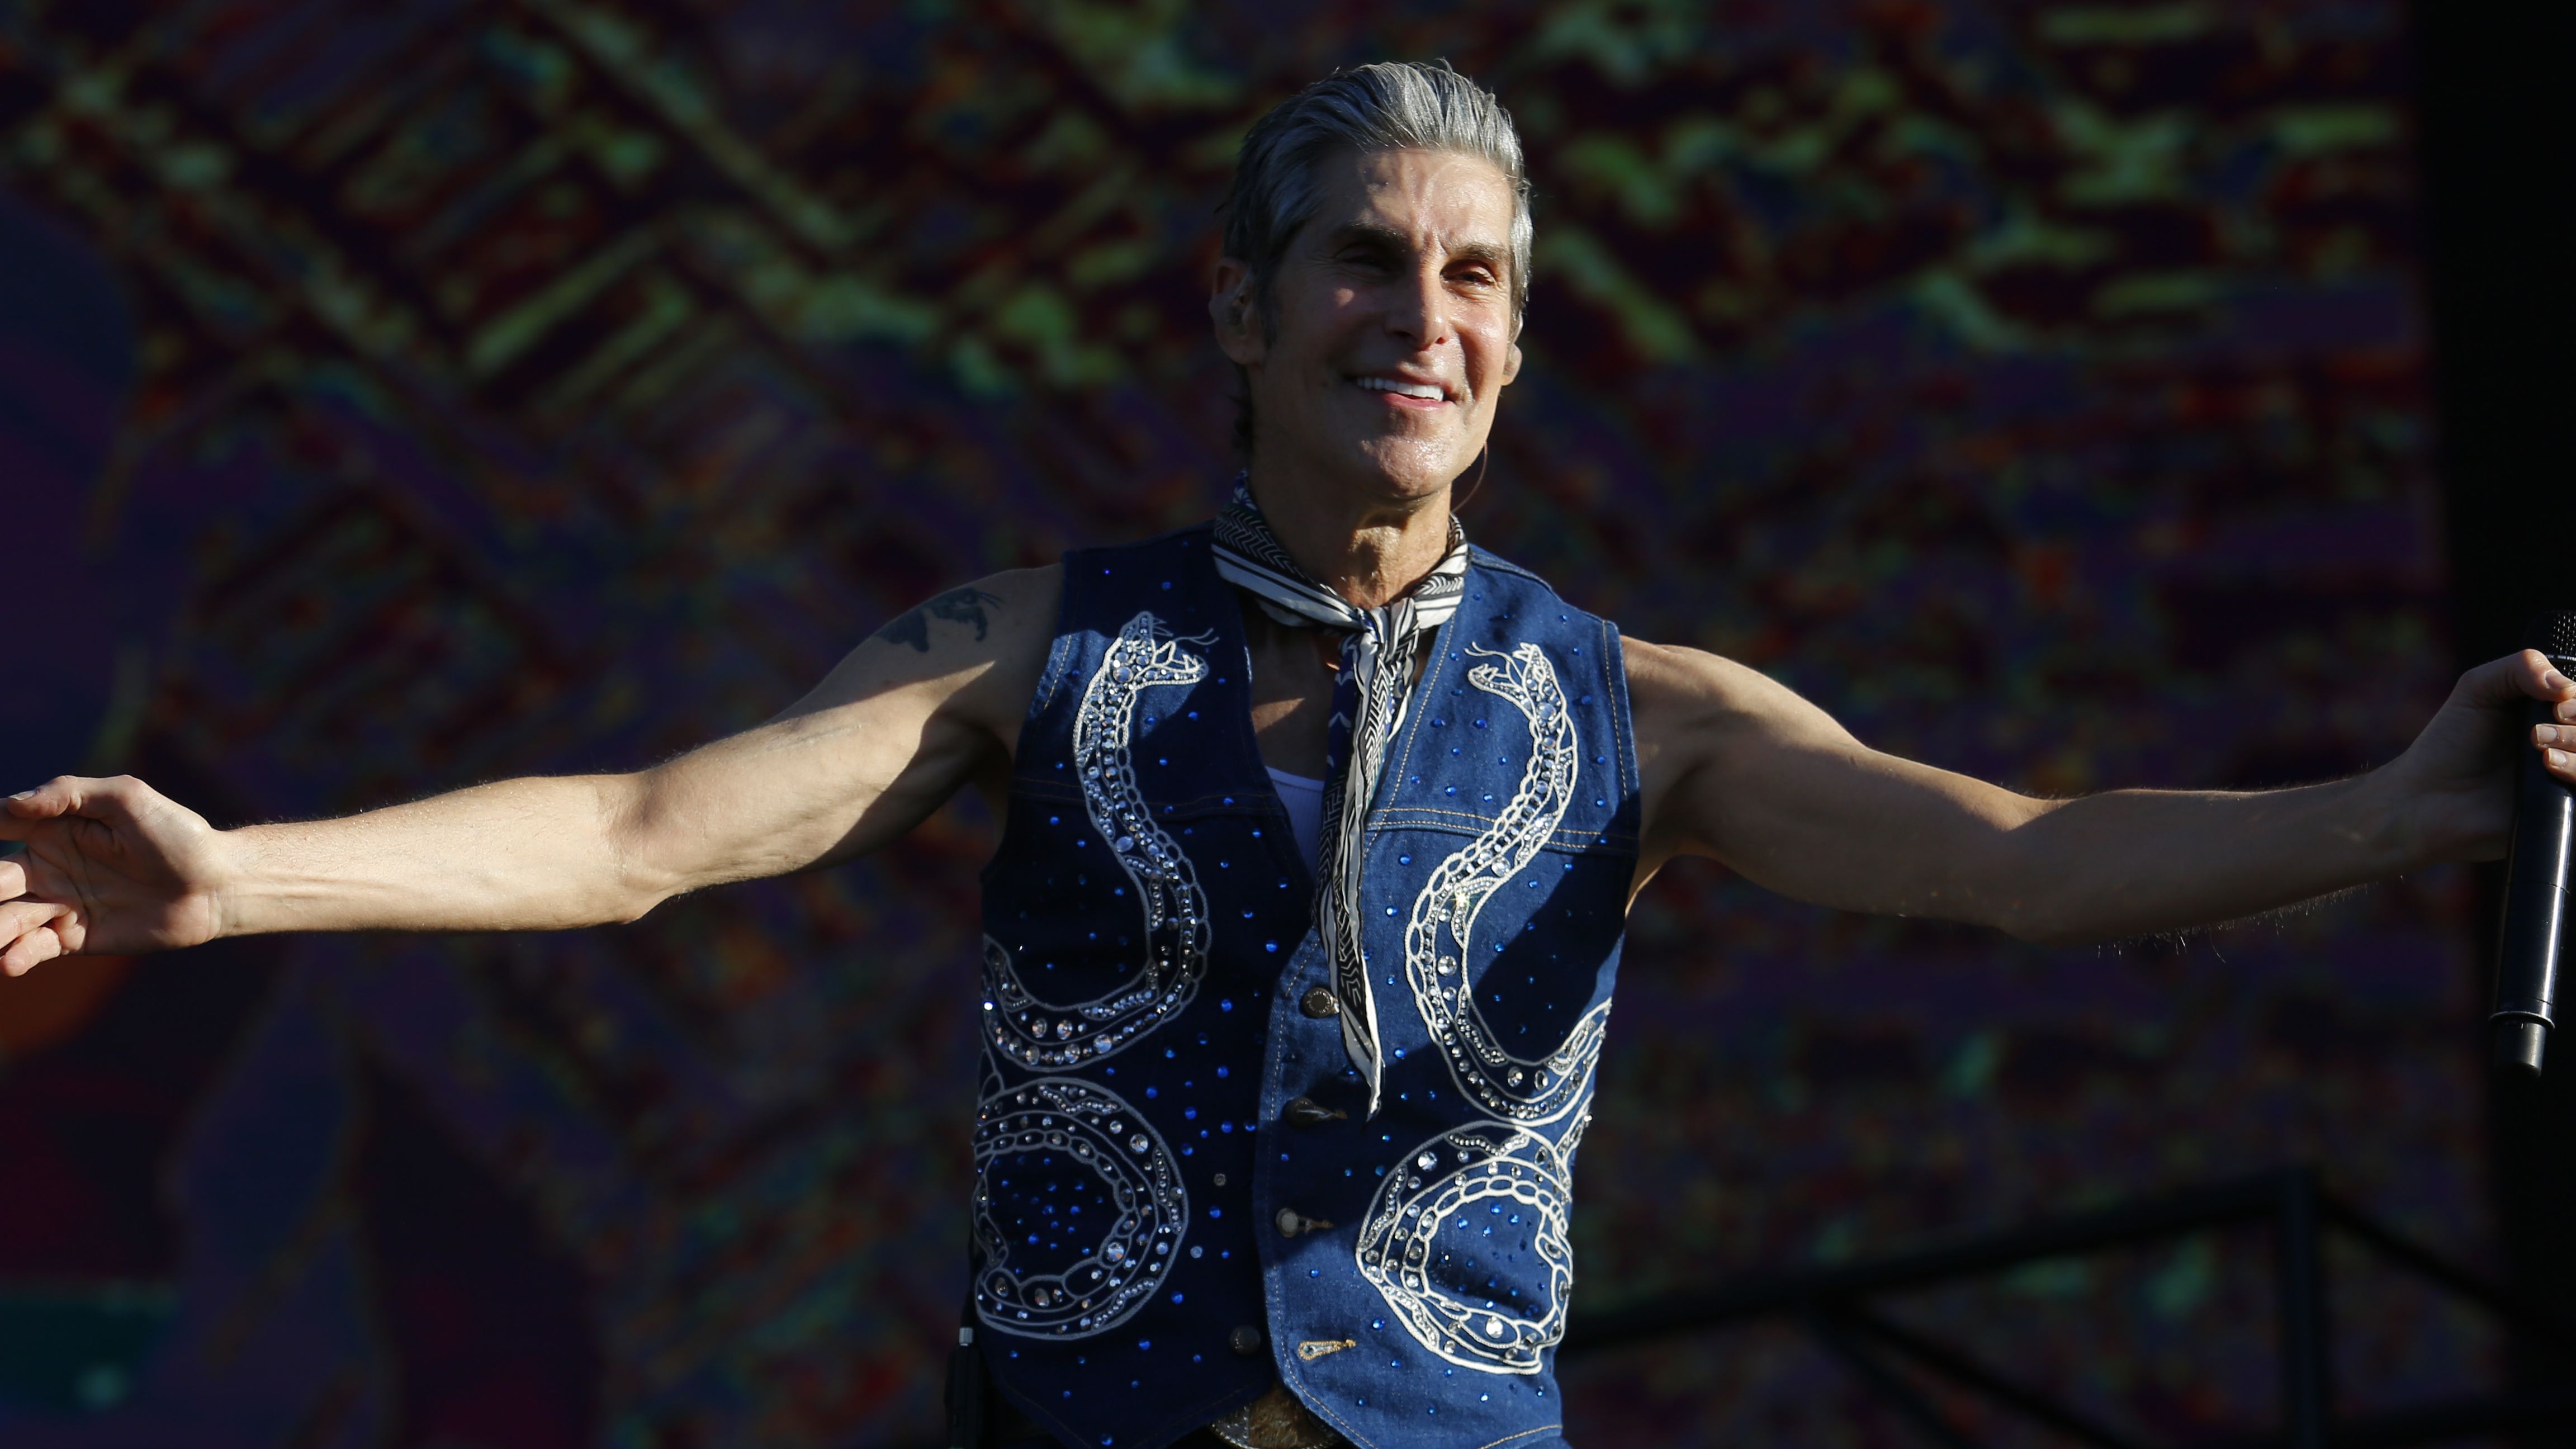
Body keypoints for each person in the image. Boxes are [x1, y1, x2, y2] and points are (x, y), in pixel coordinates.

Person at [1, 61, 2565, 1449]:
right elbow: (647, 833)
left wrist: (2408, 811)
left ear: (1517, 347)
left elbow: (2020, 856)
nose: (1419, 314)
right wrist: (233, 882)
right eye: (1365, 258)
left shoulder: (1637, 709)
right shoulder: (1035, 647)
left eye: (1474, 278)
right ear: (1242, 309)